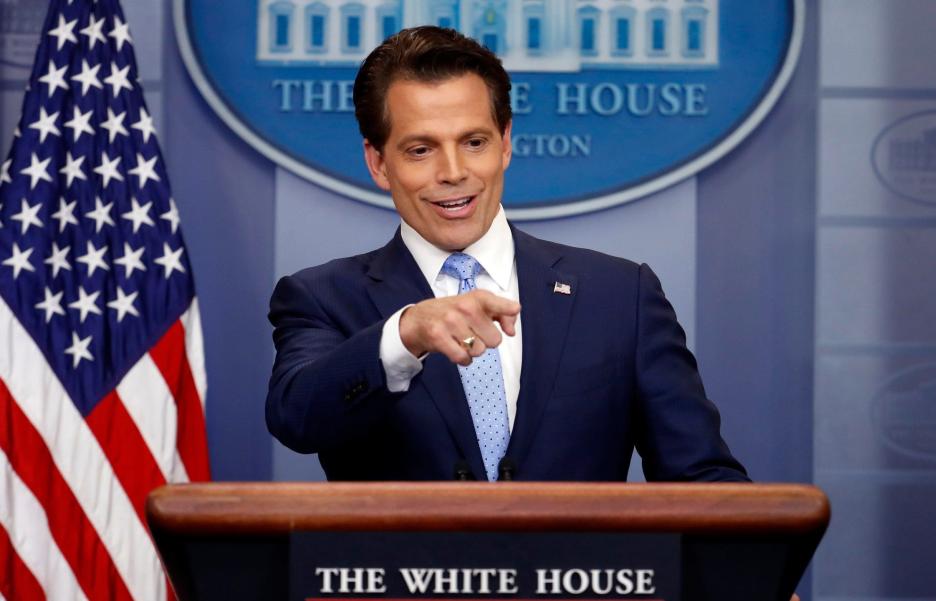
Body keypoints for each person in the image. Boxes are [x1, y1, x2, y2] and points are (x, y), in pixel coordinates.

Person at [266, 26, 748, 483]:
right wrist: (407, 332)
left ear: (506, 144)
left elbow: (703, 482)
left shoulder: (621, 295)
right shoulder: (321, 297)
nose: (453, 171)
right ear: (378, 162)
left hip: (578, 574)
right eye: (420, 150)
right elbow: (298, 416)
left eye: (474, 142)